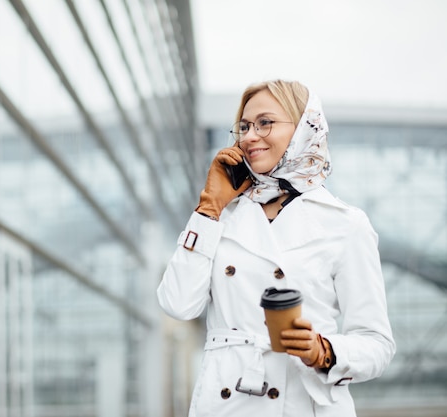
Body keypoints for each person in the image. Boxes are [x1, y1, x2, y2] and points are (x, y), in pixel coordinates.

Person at [157, 80, 395, 417]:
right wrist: (208, 208)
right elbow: (177, 304)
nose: (249, 136)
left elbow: (377, 344)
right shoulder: (220, 218)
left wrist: (323, 350)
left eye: (265, 123)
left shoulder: (346, 224)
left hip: (302, 404)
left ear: (302, 128)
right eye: (243, 126)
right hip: (227, 405)